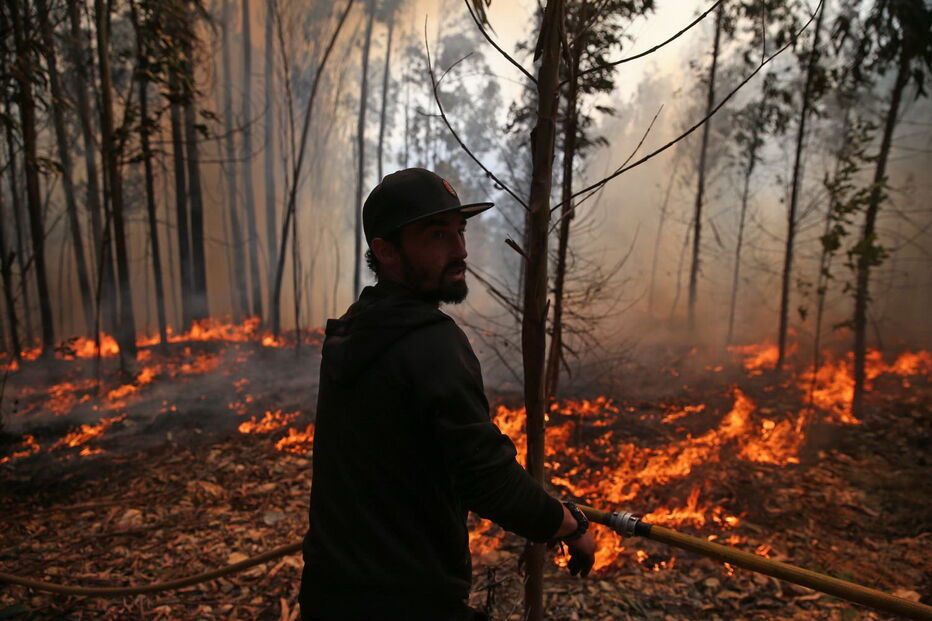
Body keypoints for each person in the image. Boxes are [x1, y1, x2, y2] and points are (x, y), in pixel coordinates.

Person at [299, 168, 596, 620]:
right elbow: (485, 476)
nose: (460, 251)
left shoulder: (359, 328)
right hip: (405, 602)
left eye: (460, 232)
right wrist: (569, 525)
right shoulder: (430, 341)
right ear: (386, 252)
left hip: (330, 594)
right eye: (438, 235)